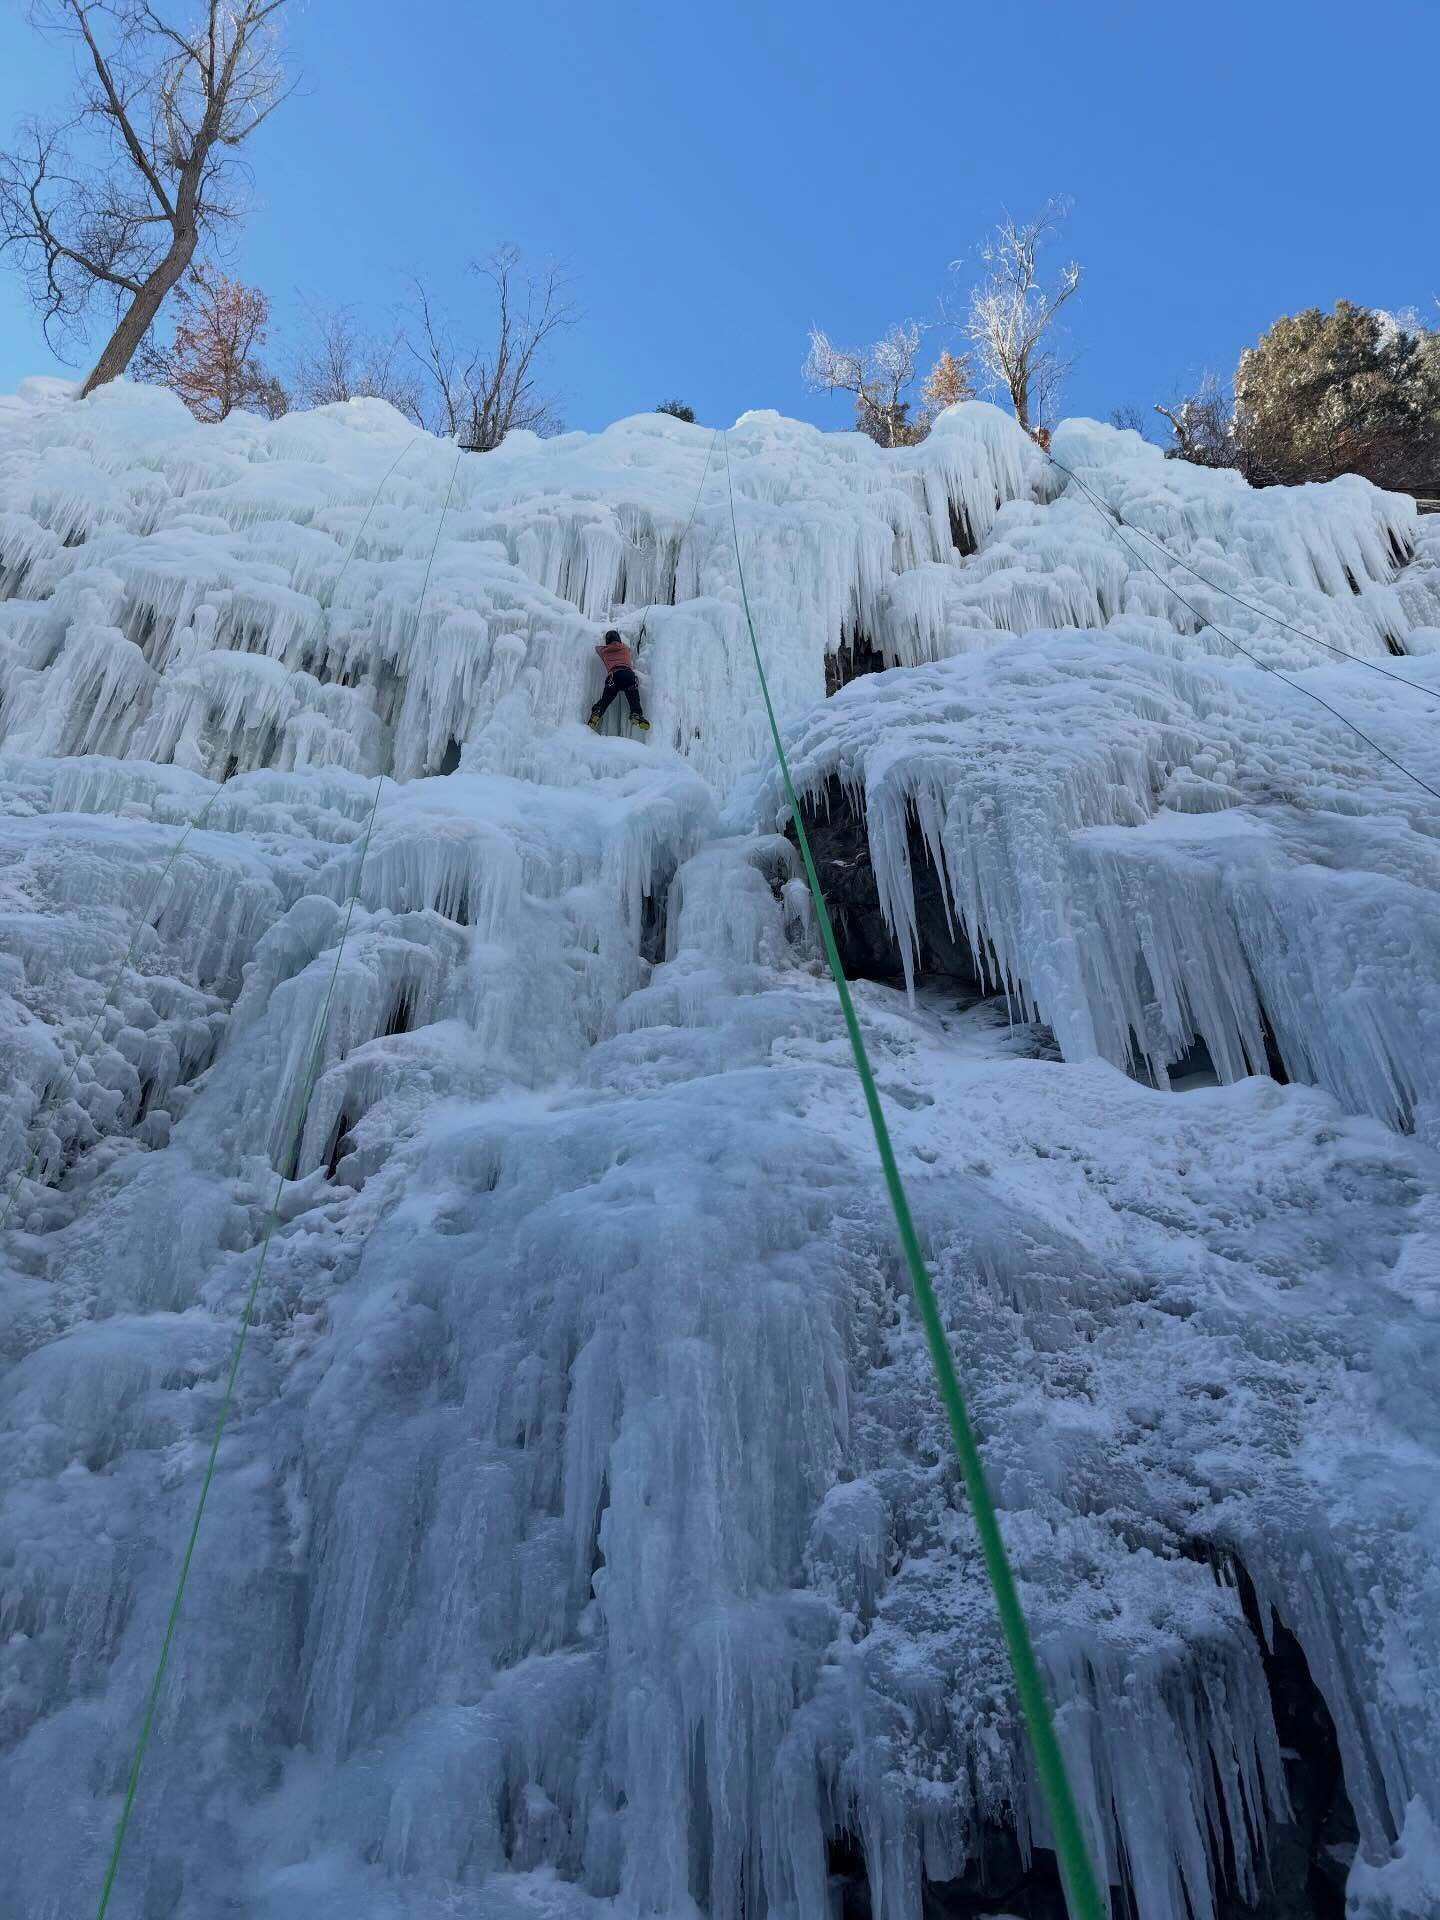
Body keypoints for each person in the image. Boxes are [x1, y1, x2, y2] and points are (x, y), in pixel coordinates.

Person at [588, 630, 650, 732]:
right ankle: (636, 714)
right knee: (633, 698)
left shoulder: (604, 651)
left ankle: (598, 711)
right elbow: (629, 650)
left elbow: (596, 649)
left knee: (606, 699)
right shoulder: (625, 648)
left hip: (613, 677)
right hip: (628, 676)